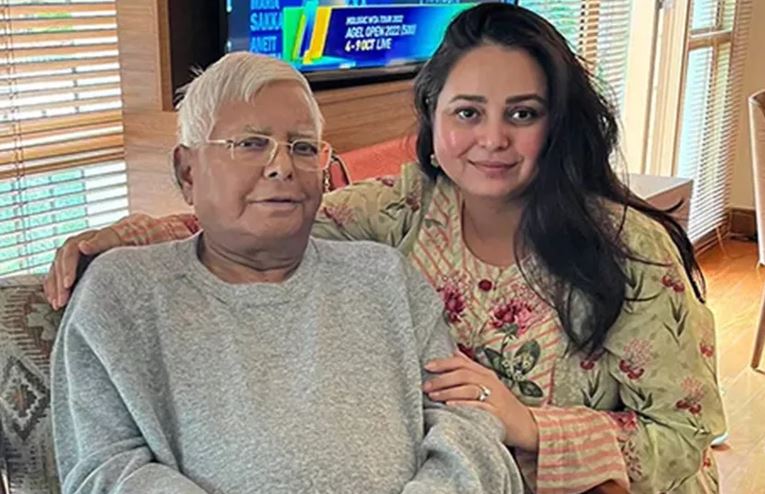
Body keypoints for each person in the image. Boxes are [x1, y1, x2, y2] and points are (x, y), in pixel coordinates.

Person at [46, 4, 726, 493]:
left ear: (557, 125)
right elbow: (262, 219)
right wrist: (126, 237)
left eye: (523, 113)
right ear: (432, 120)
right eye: (467, 112)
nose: (492, 138)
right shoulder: (399, 213)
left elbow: (685, 436)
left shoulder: (627, 249)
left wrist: (528, 426)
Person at [50, 52, 524, 494]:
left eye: (303, 147)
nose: (282, 166)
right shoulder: (121, 293)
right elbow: (104, 469)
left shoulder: (385, 278)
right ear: (187, 171)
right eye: (251, 144)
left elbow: (469, 428)